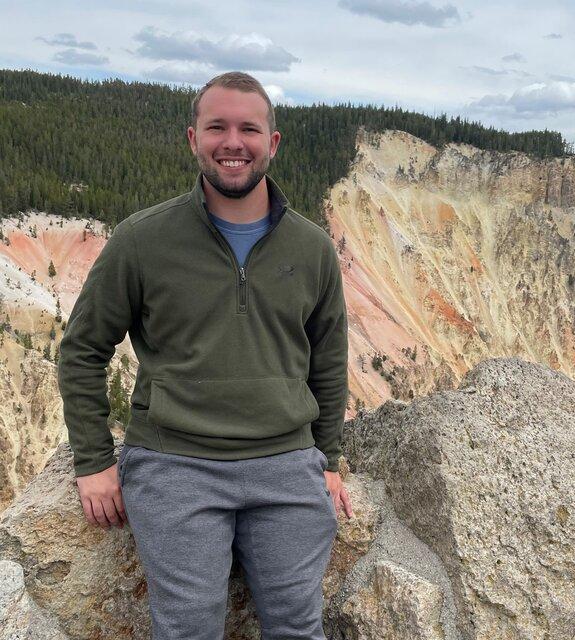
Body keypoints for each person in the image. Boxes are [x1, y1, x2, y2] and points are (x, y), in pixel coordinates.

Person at [57, 70, 352, 640]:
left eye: (249, 128)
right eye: (216, 127)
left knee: (297, 626)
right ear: (193, 139)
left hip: (287, 465)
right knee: (188, 629)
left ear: (273, 142)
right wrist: (93, 462)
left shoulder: (312, 249)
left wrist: (329, 461)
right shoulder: (143, 240)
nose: (233, 143)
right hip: (175, 465)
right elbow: (83, 349)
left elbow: (328, 363)